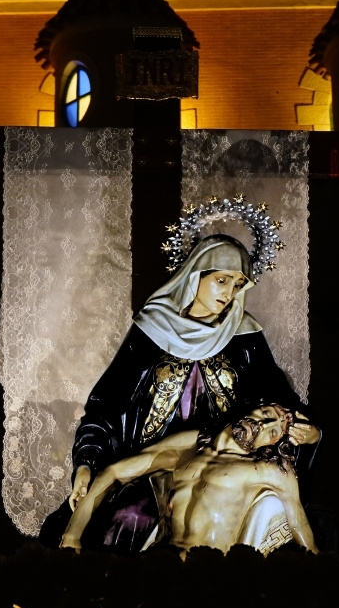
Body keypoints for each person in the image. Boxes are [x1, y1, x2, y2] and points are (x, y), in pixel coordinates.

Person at [38, 234, 320, 552]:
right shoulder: (153, 328)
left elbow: (279, 402)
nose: (229, 293)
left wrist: (308, 432)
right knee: (130, 516)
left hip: (220, 455)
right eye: (222, 280)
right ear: (195, 274)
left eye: (238, 285)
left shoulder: (244, 335)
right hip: (156, 458)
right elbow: (107, 404)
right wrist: (87, 461)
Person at [61, 404, 317, 555]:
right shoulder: (189, 448)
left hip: (206, 577)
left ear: (272, 444)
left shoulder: (268, 470)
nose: (264, 424)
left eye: (273, 431)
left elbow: (304, 538)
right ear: (254, 407)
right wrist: (72, 536)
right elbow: (114, 472)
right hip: (161, 562)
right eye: (267, 413)